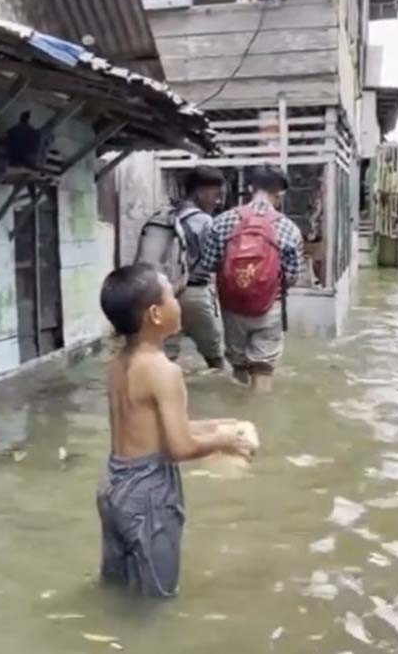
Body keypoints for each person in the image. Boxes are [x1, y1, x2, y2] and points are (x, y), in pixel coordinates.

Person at [96, 264, 256, 598]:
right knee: (156, 598)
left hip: (114, 487)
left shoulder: (117, 363)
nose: (179, 301)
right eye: (172, 294)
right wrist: (226, 440)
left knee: (115, 588)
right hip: (149, 494)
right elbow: (178, 448)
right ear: (156, 313)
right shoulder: (164, 371)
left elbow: (155, 431)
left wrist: (215, 426)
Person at [199, 165, 304, 394]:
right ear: (280, 193)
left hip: (232, 307)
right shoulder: (289, 228)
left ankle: (238, 414)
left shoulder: (222, 221)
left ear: (249, 188)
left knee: (238, 365)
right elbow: (292, 276)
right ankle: (261, 421)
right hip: (269, 307)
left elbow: (207, 265)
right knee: (263, 367)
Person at [164, 167, 227, 369]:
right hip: (194, 293)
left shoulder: (166, 216)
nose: (217, 201)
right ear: (200, 191)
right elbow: (215, 262)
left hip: (164, 294)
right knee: (215, 359)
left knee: (166, 358)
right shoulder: (205, 221)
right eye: (216, 195)